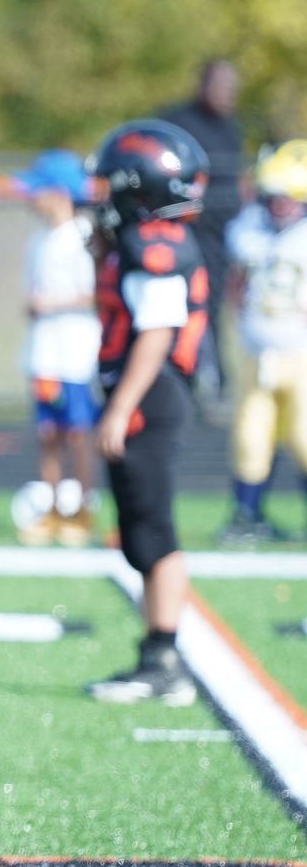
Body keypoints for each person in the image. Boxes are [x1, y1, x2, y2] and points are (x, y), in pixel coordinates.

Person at [84, 119, 211, 706]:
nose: (103, 198)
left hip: (150, 396)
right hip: (144, 394)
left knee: (154, 533)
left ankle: (165, 661)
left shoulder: (155, 245)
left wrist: (121, 408)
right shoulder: (136, 242)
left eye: (114, 186)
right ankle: (156, 655)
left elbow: (157, 332)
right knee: (139, 532)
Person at [220, 140, 307, 545]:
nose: (279, 205)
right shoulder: (248, 229)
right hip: (257, 350)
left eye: (288, 198)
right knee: (252, 434)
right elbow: (236, 282)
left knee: (305, 437)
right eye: (274, 197)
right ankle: (247, 514)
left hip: (301, 350)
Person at [11, 149, 100, 546]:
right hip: (44, 353)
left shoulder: (83, 237)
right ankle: (50, 506)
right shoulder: (37, 242)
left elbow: (95, 295)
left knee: (78, 432)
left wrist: (52, 303)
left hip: (76, 353)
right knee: (48, 432)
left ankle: (82, 505)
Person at [159, 60, 246, 412]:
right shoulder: (177, 123)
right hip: (186, 232)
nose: (229, 95)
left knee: (212, 307)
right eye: (222, 86)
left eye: (233, 88)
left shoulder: (232, 129)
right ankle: (187, 378)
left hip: (221, 236)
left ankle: (215, 383)